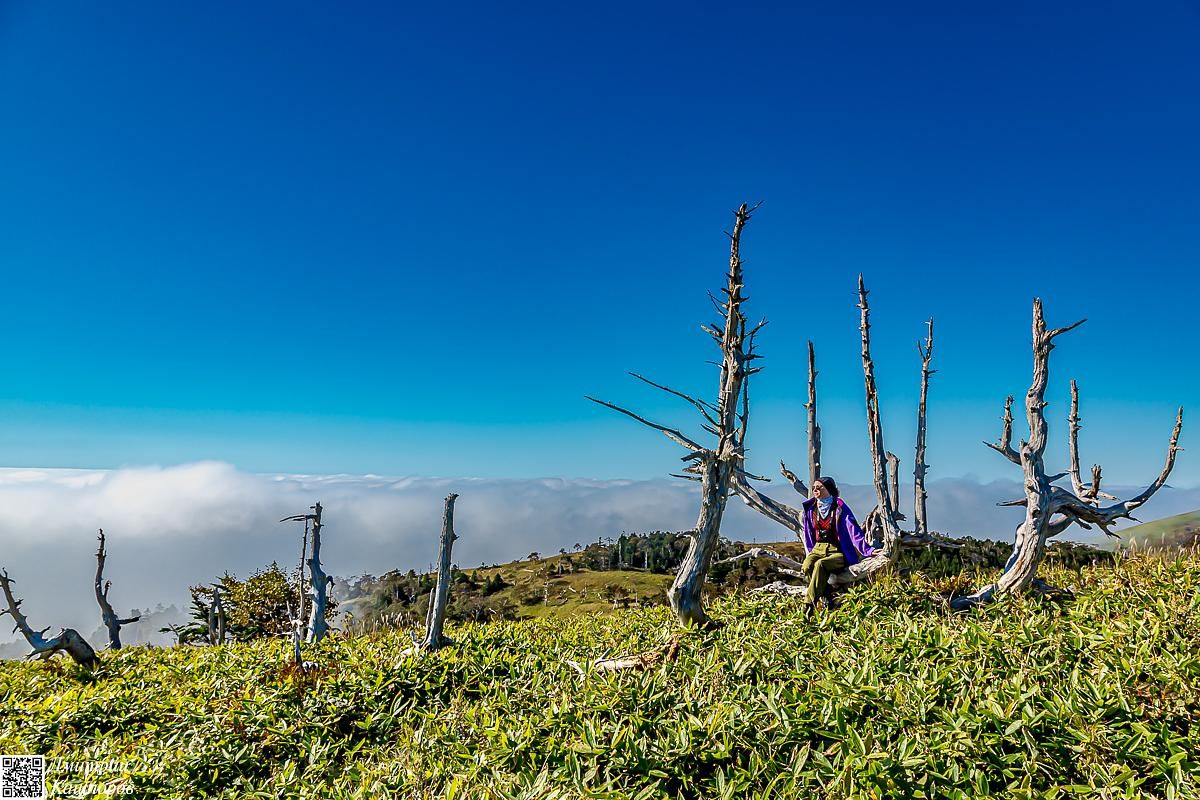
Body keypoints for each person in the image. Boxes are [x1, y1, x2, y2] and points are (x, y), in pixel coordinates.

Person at [800, 476, 874, 608]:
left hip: (837, 550)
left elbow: (853, 529)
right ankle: (827, 594)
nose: (815, 490)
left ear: (828, 488)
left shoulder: (839, 507)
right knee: (806, 566)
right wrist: (811, 550)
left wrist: (868, 550)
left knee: (820, 565)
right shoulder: (811, 508)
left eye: (819, 487)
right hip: (817, 548)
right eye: (814, 488)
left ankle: (808, 605)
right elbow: (808, 532)